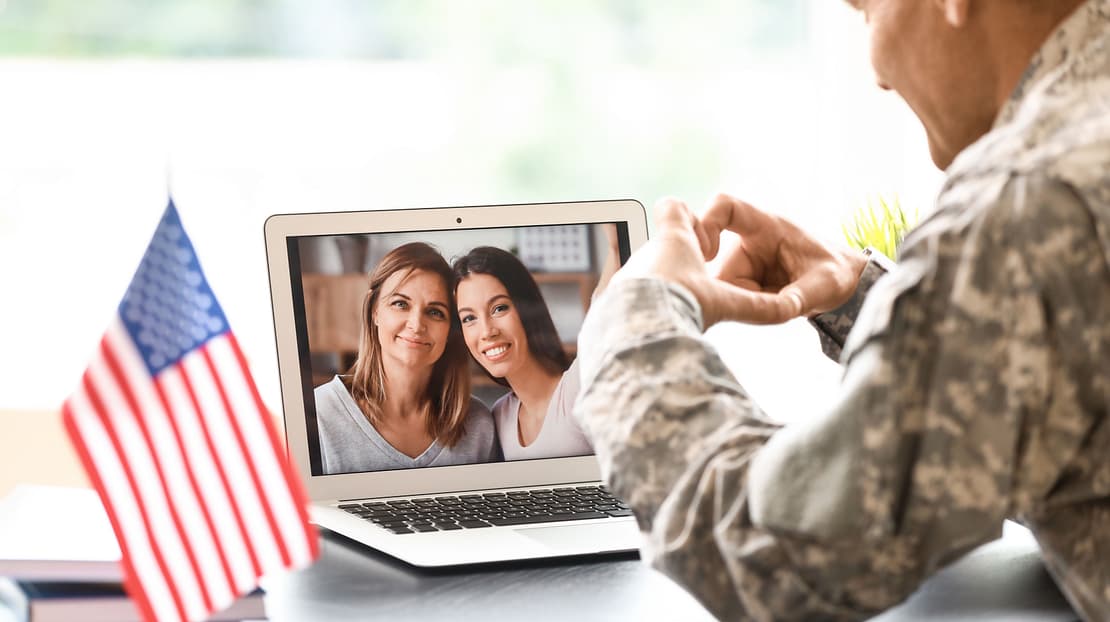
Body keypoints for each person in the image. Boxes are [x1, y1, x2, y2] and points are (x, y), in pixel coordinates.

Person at [573, 0, 1110, 620]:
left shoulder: (1030, 198)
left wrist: (632, 316)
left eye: (866, 10)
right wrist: (861, 295)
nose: (877, 73)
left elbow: (775, 556)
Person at [313, 242, 499, 474]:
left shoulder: (479, 425)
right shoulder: (318, 414)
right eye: (400, 304)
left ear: (450, 329)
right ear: (375, 312)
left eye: (435, 312)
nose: (417, 325)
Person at [453, 245, 607, 461]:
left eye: (499, 308)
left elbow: (606, 311)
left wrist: (614, 244)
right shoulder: (500, 416)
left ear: (527, 309)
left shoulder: (577, 388)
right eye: (469, 318)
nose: (487, 332)